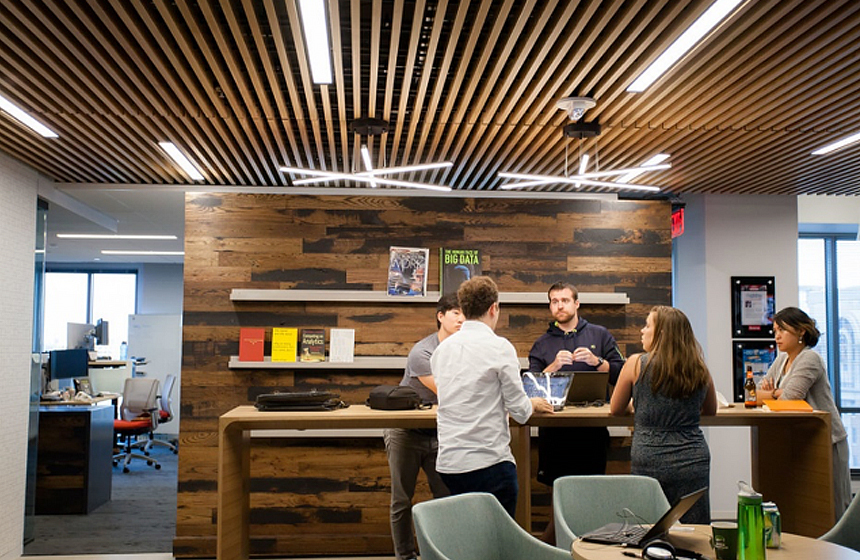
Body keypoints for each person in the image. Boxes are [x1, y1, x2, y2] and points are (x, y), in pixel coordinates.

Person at [430, 276, 554, 517]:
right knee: (497, 537)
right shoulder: (500, 347)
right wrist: (533, 403)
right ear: (493, 308)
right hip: (488, 464)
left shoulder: (441, 351)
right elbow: (520, 411)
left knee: (466, 533)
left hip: (449, 465)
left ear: (464, 309)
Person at [528, 282, 625, 543]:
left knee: (591, 496)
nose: (559, 305)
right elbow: (530, 385)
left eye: (565, 300)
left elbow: (622, 371)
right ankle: (557, 549)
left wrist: (597, 362)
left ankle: (588, 549)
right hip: (554, 433)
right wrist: (553, 366)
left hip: (591, 432)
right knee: (558, 499)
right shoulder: (542, 343)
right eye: (554, 301)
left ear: (576, 303)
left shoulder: (600, 335)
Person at [610, 305, 717, 524]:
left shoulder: (636, 364)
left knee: (646, 526)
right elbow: (710, 409)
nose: (642, 331)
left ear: (661, 333)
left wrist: (636, 406)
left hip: (649, 455)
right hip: (692, 457)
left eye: (647, 325)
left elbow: (616, 409)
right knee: (695, 529)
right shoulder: (698, 367)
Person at [383, 294, 463, 560]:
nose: (461, 319)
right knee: (401, 500)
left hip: (440, 432)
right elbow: (448, 392)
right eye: (455, 313)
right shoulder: (423, 352)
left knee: (445, 498)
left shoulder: (464, 349)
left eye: (465, 313)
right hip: (405, 432)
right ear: (441, 316)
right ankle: (405, 556)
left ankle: (441, 554)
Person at [757, 306, 851, 520]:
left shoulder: (809, 358)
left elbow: (790, 398)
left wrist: (773, 393)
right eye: (775, 331)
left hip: (828, 440)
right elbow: (753, 394)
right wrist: (777, 393)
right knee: (807, 507)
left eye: (782, 330)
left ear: (801, 331)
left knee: (834, 507)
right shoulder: (781, 360)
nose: (777, 336)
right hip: (802, 439)